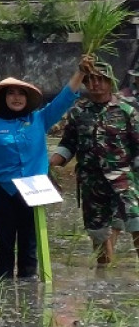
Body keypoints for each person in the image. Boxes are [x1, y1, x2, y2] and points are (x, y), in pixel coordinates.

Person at [0, 64, 85, 280]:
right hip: (2, 192)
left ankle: (29, 288)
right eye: (11, 93)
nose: (16, 98)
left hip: (33, 191)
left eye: (21, 93)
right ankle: (3, 288)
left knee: (30, 241)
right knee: (4, 242)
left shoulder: (39, 120)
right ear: (3, 98)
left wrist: (80, 72)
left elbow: (64, 98)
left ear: (27, 98)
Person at [50, 62, 139, 267]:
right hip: (91, 183)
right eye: (90, 79)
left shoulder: (126, 111)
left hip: (123, 180)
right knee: (99, 233)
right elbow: (68, 144)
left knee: (136, 220)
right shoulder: (78, 113)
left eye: (100, 79)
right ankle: (104, 276)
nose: (95, 83)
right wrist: (51, 163)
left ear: (110, 82)